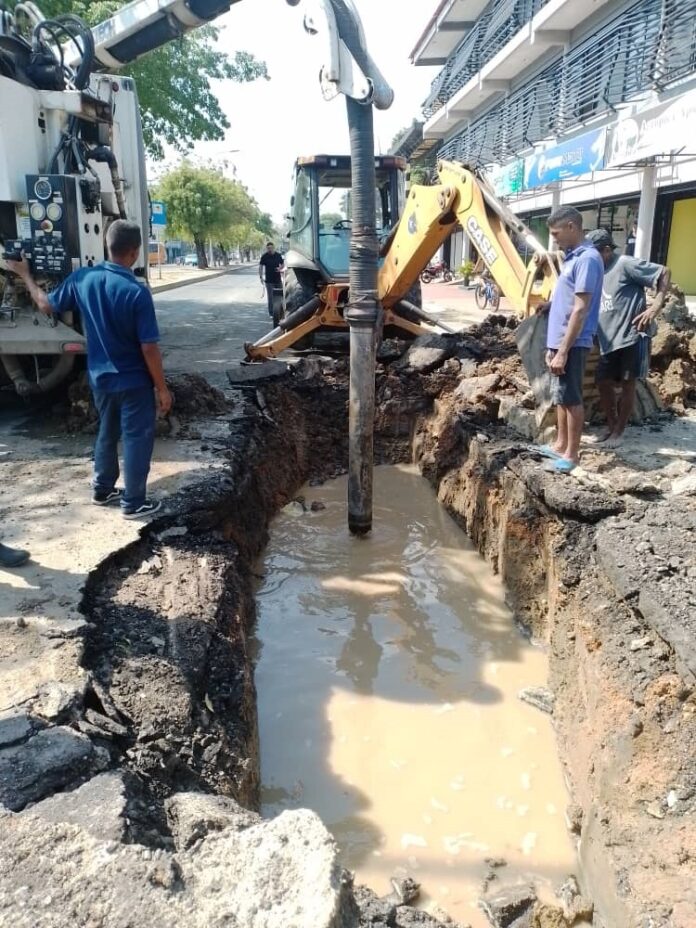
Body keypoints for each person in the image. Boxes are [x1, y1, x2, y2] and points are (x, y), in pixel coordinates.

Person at [7, 220, 172, 518]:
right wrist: (162, 388)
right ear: (134, 252)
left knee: (106, 432)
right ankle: (134, 503)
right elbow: (149, 347)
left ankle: (102, 489)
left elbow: (46, 304)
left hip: (100, 379)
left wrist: (25, 275)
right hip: (133, 382)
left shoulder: (83, 279)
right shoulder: (136, 292)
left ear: (107, 247)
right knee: (136, 437)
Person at [587, 228, 670, 446]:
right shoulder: (597, 271)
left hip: (632, 336)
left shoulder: (625, 264)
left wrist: (655, 307)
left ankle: (619, 433)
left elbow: (664, 272)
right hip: (609, 339)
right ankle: (612, 426)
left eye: (594, 253)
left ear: (606, 250)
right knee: (602, 381)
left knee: (627, 383)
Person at [539, 206, 604, 473]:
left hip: (573, 343)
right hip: (559, 341)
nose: (553, 239)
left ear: (571, 227)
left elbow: (580, 308)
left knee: (572, 397)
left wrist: (563, 350)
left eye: (555, 233)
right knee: (561, 396)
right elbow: (567, 299)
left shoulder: (587, 259)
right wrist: (550, 307)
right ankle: (559, 444)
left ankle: (572, 454)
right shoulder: (572, 258)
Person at [259, 242, 285, 319]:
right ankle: (271, 313)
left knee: (280, 296)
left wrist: (280, 268)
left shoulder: (278, 255)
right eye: (268, 248)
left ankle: (281, 312)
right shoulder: (264, 256)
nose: (270, 249)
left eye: (271, 248)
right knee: (271, 298)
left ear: (273, 247)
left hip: (278, 280)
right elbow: (261, 267)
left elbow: (283, 264)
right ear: (267, 248)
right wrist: (261, 277)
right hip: (269, 281)